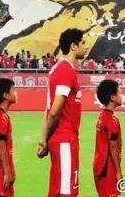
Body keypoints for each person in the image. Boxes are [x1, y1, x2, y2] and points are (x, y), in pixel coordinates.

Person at [36, 28, 88, 197]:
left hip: (60, 139)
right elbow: (54, 111)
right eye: (83, 43)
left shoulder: (58, 68)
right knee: (67, 192)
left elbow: (47, 110)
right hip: (64, 139)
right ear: (73, 46)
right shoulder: (66, 70)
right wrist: (45, 139)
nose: (87, 46)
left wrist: (44, 139)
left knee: (57, 191)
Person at [93, 79, 123, 197]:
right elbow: (113, 147)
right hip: (107, 168)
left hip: (99, 166)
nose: (122, 95)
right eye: (119, 92)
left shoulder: (102, 116)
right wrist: (118, 172)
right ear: (113, 97)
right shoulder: (111, 120)